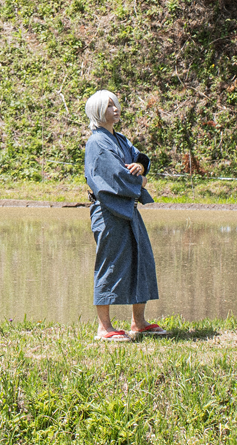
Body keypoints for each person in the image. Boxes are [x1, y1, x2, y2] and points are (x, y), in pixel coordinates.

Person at [83, 89, 164, 343]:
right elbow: (116, 176)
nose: (115, 109)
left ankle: (138, 322)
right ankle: (104, 327)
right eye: (109, 106)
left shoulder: (121, 139)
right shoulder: (97, 143)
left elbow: (139, 158)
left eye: (115, 104)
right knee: (110, 264)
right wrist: (139, 181)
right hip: (107, 211)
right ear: (98, 111)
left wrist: (140, 166)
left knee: (141, 258)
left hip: (128, 209)